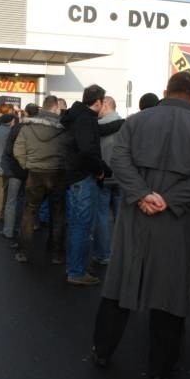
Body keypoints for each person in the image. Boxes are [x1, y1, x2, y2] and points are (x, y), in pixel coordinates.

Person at [91, 72, 190, 379]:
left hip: (135, 215)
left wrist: (141, 195)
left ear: (166, 91)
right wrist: (169, 200)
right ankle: (161, 365)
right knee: (170, 292)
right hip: (175, 220)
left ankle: (102, 350)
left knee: (121, 282)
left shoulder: (136, 122)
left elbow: (118, 160)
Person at [60, 85, 111, 286]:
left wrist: (122, 122)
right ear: (97, 102)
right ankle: (77, 271)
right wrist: (101, 169)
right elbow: (88, 149)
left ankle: (73, 266)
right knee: (82, 226)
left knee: (75, 225)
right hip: (83, 177)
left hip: (73, 177)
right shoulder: (86, 119)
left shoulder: (76, 116)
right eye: (103, 101)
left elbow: (97, 133)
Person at [13, 96, 68, 264]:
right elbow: (69, 150)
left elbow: (18, 150)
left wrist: (27, 165)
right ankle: (56, 253)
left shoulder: (27, 127)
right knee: (57, 214)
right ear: (55, 107)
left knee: (29, 212)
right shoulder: (64, 128)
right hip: (57, 174)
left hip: (35, 173)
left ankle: (23, 251)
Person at [92, 96, 124, 266]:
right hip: (123, 177)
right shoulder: (126, 125)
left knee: (102, 216)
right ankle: (121, 253)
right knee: (121, 217)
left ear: (105, 105)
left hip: (103, 175)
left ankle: (103, 254)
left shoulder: (97, 126)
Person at [0, 104, 37, 242]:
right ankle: (21, 229)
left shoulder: (17, 128)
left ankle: (8, 230)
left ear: (25, 113)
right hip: (32, 170)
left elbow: (9, 150)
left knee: (11, 201)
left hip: (16, 169)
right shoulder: (39, 129)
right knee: (26, 201)